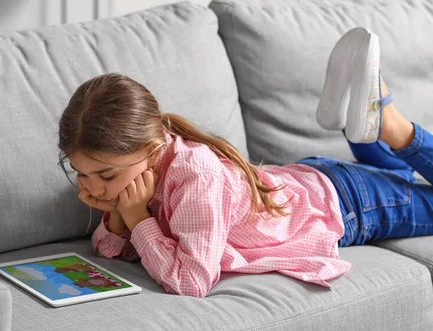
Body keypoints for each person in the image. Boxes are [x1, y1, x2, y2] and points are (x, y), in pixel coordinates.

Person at [57, 27, 433, 298]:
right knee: (400, 176)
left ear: (153, 150)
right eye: (81, 174)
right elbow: (109, 249)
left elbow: (192, 281)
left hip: (348, 205)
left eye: (105, 174)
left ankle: (395, 129)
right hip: (315, 181)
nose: (91, 188)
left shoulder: (194, 176)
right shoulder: (145, 168)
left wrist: (138, 218)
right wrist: (122, 213)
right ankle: (369, 121)